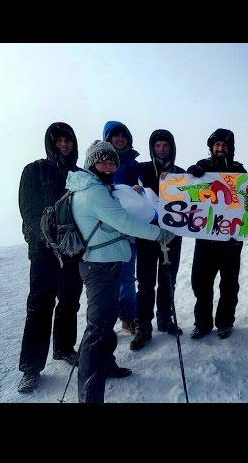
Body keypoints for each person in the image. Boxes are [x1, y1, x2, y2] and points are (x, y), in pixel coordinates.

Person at [66, 140, 174, 403]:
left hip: (105, 263)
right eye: (103, 161)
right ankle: (90, 396)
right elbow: (124, 222)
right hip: (100, 267)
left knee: (105, 322)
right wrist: (160, 233)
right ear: (92, 163)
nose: (109, 165)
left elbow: (113, 223)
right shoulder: (94, 193)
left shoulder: (97, 188)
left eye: (112, 161)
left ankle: (108, 365)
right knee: (97, 329)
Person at [17, 122, 83, 394]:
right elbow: (28, 211)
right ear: (50, 143)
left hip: (73, 251)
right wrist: (46, 235)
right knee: (39, 306)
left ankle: (65, 348)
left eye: (68, 140)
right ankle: (31, 368)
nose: (63, 145)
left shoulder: (80, 175)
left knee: (69, 302)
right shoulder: (34, 170)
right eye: (58, 141)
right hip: (43, 252)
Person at [187, 128, 247, 339]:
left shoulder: (239, 170)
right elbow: (186, 189)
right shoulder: (202, 167)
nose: (220, 148)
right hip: (205, 239)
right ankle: (202, 324)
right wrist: (191, 173)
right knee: (201, 283)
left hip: (231, 239)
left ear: (230, 148)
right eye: (217, 145)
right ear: (212, 147)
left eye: (224, 145)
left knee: (229, 284)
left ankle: (224, 322)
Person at [130, 129, 185, 351]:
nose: (161, 149)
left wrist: (197, 174)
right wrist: (132, 188)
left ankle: (165, 319)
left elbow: (197, 195)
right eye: (157, 145)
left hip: (172, 235)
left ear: (171, 147)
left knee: (167, 280)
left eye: (165, 145)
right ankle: (143, 326)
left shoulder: (180, 173)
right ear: (152, 148)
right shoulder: (141, 170)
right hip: (147, 234)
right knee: (144, 282)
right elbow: (122, 183)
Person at [103, 120, 140, 336]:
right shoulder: (95, 163)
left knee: (127, 276)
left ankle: (128, 317)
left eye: (123, 135)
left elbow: (146, 188)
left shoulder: (134, 163)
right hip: (104, 230)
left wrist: (138, 189)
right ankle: (105, 320)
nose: (120, 138)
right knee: (106, 278)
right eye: (115, 135)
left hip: (129, 228)